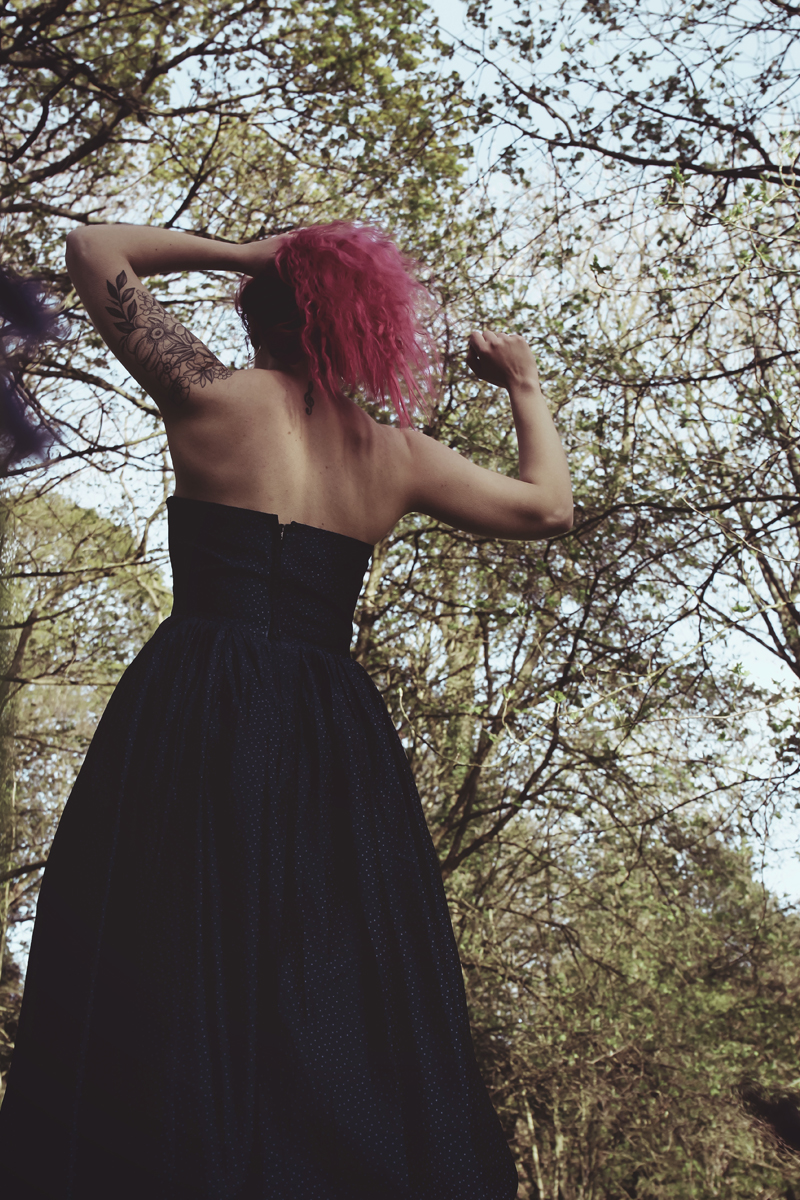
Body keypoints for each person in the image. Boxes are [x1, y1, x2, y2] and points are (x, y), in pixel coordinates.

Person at [0, 220, 572, 1199]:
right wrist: (521, 382)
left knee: (169, 945)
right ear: (357, 331)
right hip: (328, 725)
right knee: (330, 969)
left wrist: (247, 252)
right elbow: (547, 506)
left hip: (198, 699)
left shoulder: (209, 395)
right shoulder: (394, 455)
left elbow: (92, 249)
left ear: (260, 312)